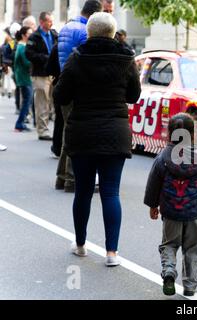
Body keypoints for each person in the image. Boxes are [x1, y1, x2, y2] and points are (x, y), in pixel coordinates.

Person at [53, 12, 141, 266]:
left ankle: (81, 244)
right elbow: (133, 96)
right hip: (115, 132)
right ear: (113, 33)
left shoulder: (77, 57)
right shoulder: (127, 59)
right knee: (111, 193)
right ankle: (111, 253)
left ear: (89, 33)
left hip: (83, 132)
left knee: (82, 191)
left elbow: (60, 95)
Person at [144, 113, 197, 297]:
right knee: (193, 248)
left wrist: (153, 205)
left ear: (170, 133)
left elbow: (153, 183)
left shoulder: (163, 158)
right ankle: (189, 285)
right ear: (192, 135)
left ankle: (168, 271)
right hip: (194, 213)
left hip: (171, 212)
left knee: (169, 244)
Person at [56, 0, 102, 192]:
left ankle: (61, 176)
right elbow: (88, 63)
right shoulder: (85, 32)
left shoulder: (66, 27)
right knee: (77, 136)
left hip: (64, 84)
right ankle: (71, 180)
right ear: (93, 15)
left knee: (69, 132)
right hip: (78, 89)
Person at [25, 12, 58, 141]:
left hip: (53, 74)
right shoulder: (34, 37)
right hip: (40, 74)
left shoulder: (55, 34)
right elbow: (29, 54)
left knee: (52, 102)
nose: (51, 23)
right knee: (42, 103)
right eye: (49, 21)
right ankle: (42, 131)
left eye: (52, 21)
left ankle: (50, 128)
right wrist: (45, 58)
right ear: (42, 22)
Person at [14, 26, 33, 132]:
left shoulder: (21, 46)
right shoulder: (22, 47)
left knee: (27, 101)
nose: (31, 35)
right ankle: (19, 123)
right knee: (27, 101)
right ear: (23, 35)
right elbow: (27, 62)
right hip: (24, 77)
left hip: (22, 77)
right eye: (29, 33)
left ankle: (20, 123)